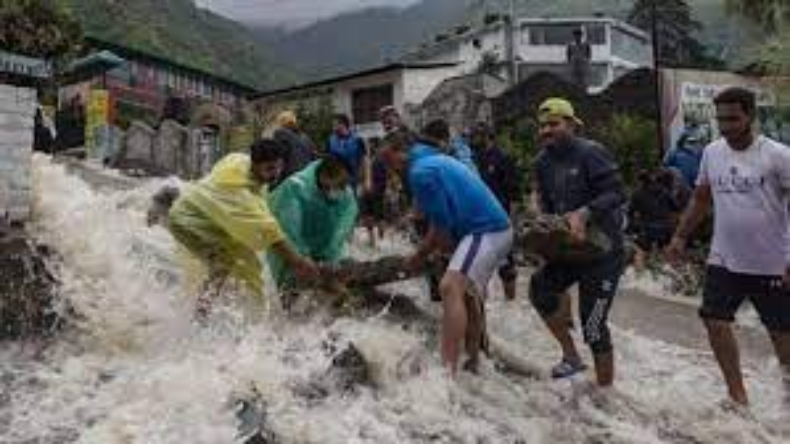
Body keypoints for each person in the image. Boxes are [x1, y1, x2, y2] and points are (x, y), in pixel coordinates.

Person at [666, 87, 790, 408]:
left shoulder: (778, 155)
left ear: (750, 116)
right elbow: (702, 198)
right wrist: (680, 236)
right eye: (721, 119)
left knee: (781, 333)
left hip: (773, 260)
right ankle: (738, 396)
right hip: (724, 257)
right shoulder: (712, 152)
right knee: (714, 320)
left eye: (733, 119)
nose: (726, 127)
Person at [379, 122, 513, 376]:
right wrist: (434, 250)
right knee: (466, 294)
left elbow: (441, 228)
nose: (389, 169)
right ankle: (474, 360)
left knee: (449, 287)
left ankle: (447, 372)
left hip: (485, 230)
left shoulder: (420, 172)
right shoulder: (432, 159)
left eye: (389, 160)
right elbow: (441, 224)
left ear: (403, 151)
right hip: (492, 230)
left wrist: (418, 257)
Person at [529, 98, 627, 387]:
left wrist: (584, 214)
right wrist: (541, 228)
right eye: (543, 126)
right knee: (540, 289)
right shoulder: (542, 162)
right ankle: (571, 357)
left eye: (554, 124)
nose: (547, 130)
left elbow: (617, 192)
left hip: (603, 252)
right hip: (569, 249)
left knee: (593, 326)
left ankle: (605, 393)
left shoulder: (591, 153)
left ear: (571, 124)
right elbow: (546, 207)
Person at [167, 139, 319, 313]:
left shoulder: (239, 161)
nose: (276, 174)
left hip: (203, 216)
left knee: (243, 264)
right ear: (254, 165)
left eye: (279, 167)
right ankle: (201, 314)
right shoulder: (239, 194)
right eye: (269, 168)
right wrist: (299, 263)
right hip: (188, 221)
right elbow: (269, 233)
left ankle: (218, 307)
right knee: (224, 263)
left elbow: (261, 218)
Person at [267, 154, 359, 289]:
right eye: (340, 184)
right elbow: (289, 229)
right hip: (291, 251)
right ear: (324, 176)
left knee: (331, 291)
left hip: (323, 249)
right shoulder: (295, 187)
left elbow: (343, 227)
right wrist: (302, 258)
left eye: (345, 184)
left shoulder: (345, 192)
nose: (343, 189)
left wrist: (331, 258)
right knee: (290, 289)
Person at [470, 122, 520, 300]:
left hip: (501, 221)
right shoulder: (473, 159)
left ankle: (511, 305)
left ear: (487, 136)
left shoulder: (503, 158)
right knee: (478, 268)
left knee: (506, 268)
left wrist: (512, 225)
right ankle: (483, 309)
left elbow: (514, 196)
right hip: (477, 222)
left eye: (476, 136)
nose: (472, 140)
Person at [628, 169, 682, 272]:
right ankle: (674, 274)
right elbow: (676, 208)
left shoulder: (637, 194)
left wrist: (631, 228)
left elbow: (630, 213)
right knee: (667, 250)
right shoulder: (663, 190)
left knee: (640, 251)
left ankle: (639, 277)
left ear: (640, 181)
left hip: (647, 228)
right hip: (665, 228)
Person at [272, 110, 316, 185]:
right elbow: (313, 156)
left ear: (282, 123)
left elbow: (280, 158)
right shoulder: (305, 137)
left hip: (290, 178)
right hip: (307, 176)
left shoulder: (280, 134)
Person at [328, 114, 367, 192]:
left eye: (335, 124)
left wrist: (364, 181)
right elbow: (328, 160)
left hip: (354, 179)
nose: (333, 127)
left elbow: (364, 160)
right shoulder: (330, 140)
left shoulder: (357, 139)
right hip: (337, 180)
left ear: (342, 125)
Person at [664, 125, 707, 189]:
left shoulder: (699, 152)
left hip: (696, 186)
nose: (693, 144)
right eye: (690, 142)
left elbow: (703, 167)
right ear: (683, 140)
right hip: (680, 189)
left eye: (695, 141)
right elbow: (665, 167)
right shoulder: (674, 153)